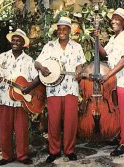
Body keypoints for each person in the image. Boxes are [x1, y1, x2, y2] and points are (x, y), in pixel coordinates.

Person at [34, 17, 86, 163]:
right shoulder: (49, 46)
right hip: (54, 89)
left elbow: (79, 64)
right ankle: (54, 150)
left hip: (71, 88)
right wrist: (42, 68)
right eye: (59, 29)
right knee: (53, 121)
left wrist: (78, 71)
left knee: (71, 121)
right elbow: (37, 62)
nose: (61, 31)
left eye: (64, 29)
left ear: (69, 30)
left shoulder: (76, 47)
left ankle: (69, 150)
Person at [0, 28, 40, 166]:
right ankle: (7, 156)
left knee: (21, 129)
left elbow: (37, 77)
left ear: (23, 43)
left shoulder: (29, 60)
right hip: (4, 97)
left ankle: (22, 155)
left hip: (21, 99)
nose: (15, 42)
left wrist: (29, 87)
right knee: (5, 128)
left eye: (18, 40)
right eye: (13, 40)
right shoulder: (3, 56)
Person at [95, 8, 124, 156]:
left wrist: (107, 76)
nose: (113, 21)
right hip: (116, 81)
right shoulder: (114, 38)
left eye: (117, 18)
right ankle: (121, 138)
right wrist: (96, 40)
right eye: (112, 18)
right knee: (119, 112)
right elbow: (104, 53)